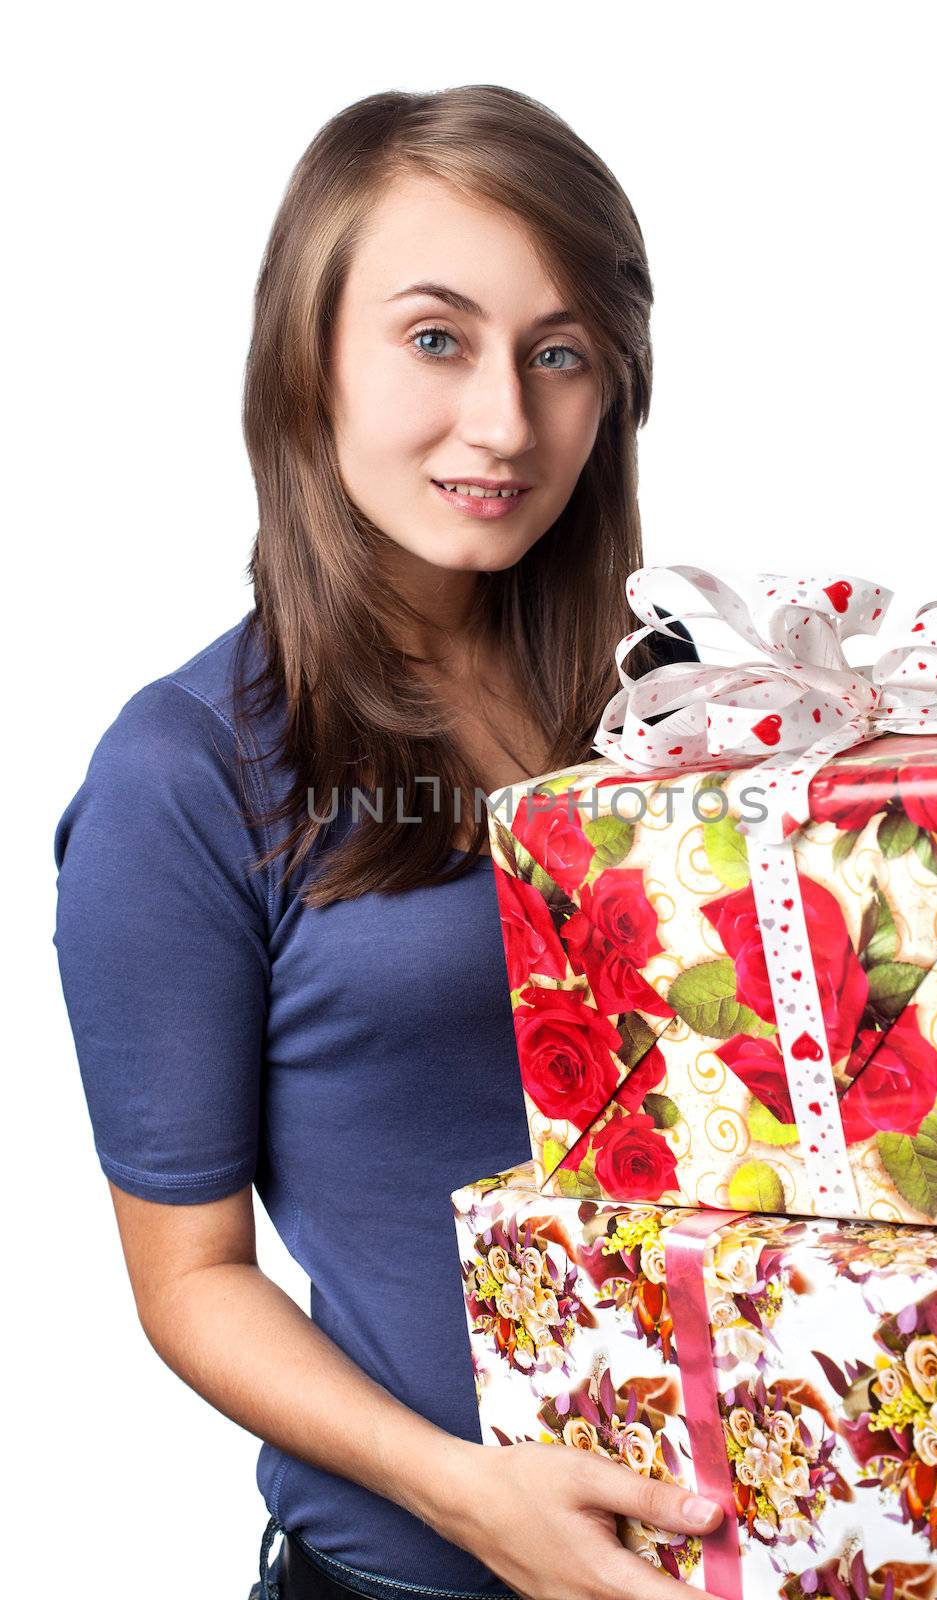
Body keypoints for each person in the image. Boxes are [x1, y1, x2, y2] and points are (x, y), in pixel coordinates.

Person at [52, 86, 719, 1600]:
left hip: (779, 1542)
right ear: (310, 361)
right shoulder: (184, 774)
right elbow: (190, 1280)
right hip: (415, 1576)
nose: (504, 421)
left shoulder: (662, 684)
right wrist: (474, 1501)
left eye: (559, 356)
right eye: (437, 339)